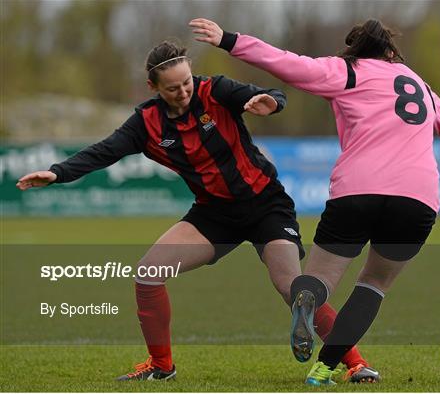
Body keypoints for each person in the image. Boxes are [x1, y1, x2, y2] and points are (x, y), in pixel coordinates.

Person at [16, 39, 379, 382]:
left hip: (266, 206)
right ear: (153, 86)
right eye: (173, 88)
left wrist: (270, 101)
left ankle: (355, 364)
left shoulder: (215, 90)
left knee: (293, 290)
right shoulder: (146, 123)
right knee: (148, 273)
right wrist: (58, 172)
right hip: (213, 216)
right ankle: (162, 366)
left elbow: (271, 94)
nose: (184, 92)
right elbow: (105, 150)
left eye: (186, 82)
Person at [190, 18, 440, 385]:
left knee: (318, 279)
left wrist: (230, 40)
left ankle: (307, 298)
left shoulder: (347, 71)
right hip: (417, 200)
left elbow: (286, 63)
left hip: (358, 191)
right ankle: (324, 369)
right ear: (391, 51)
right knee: (373, 285)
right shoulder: (418, 84)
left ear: (354, 49)